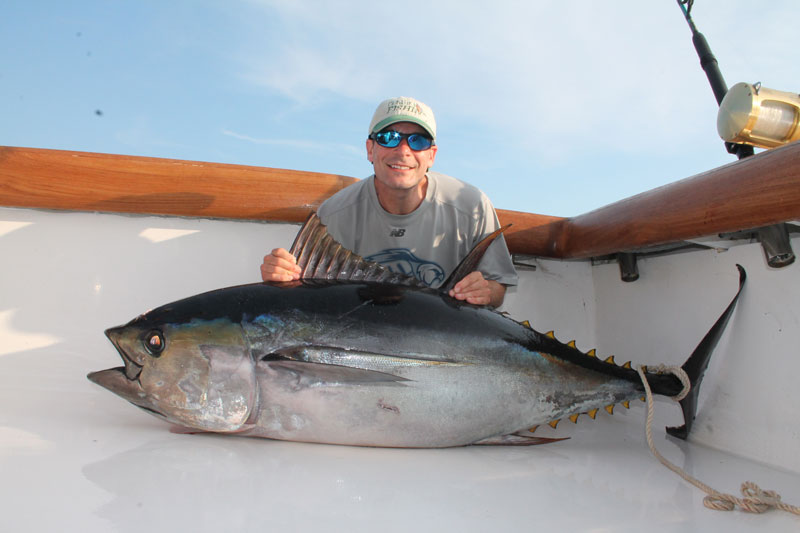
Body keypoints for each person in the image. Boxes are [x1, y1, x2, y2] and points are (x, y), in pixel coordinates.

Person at [260, 96, 517, 307]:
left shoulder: (472, 205)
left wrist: (486, 291)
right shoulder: (333, 215)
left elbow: (497, 288)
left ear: (431, 155)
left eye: (418, 141)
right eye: (389, 137)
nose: (403, 150)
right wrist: (284, 279)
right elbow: (312, 297)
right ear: (370, 149)